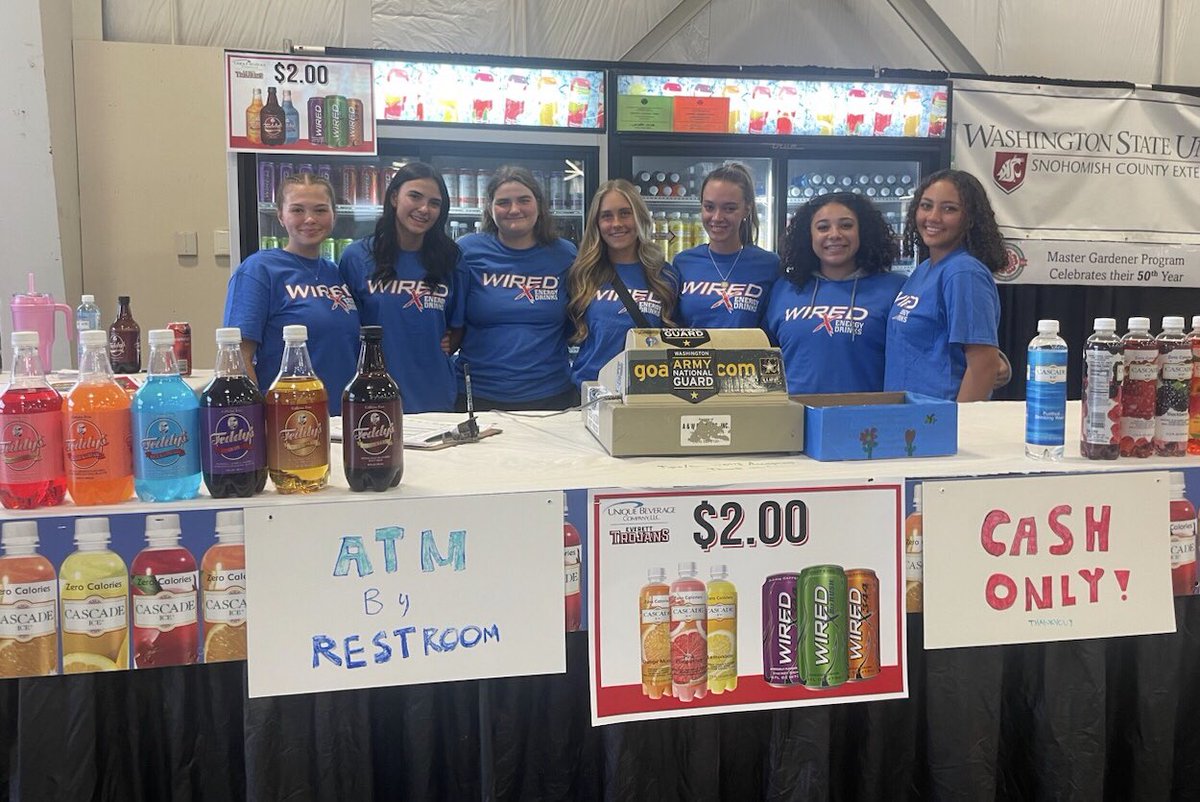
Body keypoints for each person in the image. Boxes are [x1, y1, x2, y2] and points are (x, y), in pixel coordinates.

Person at [223, 172, 359, 414]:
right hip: (289, 420)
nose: (309, 219)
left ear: (334, 216)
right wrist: (257, 418)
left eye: (320, 210)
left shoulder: (336, 272)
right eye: (297, 210)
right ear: (281, 216)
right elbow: (238, 357)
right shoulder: (259, 270)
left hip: (341, 416)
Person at [338, 162, 460, 413]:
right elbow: (345, 329)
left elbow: (458, 326)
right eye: (414, 196)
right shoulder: (357, 257)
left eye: (434, 203)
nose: (424, 209)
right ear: (394, 197)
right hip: (374, 395)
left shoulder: (452, 259)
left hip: (436, 394)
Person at [453, 165, 578, 411]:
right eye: (503, 202)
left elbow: (576, 322)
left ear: (539, 205)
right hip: (478, 394)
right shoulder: (467, 251)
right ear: (490, 207)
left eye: (524, 200)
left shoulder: (565, 254)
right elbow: (449, 316)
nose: (514, 209)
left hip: (552, 395)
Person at [765, 193, 906, 395]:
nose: (834, 234)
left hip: (866, 420)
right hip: (794, 418)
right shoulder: (784, 289)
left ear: (863, 231)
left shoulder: (895, 289)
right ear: (809, 235)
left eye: (846, 225)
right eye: (823, 227)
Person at [884, 169, 1006, 402]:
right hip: (908, 418)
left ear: (970, 218)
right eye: (926, 206)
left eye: (949, 209)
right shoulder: (923, 271)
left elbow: (984, 366)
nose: (933, 217)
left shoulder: (964, 272)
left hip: (938, 422)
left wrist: (960, 430)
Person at [568, 179, 679, 388]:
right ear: (597, 224)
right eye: (607, 216)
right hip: (590, 389)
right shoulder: (583, 274)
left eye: (625, 213)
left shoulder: (664, 275)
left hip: (647, 392)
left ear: (639, 217)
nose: (616, 223)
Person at [673, 162, 778, 328]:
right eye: (709, 207)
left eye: (729, 209)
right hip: (693, 355)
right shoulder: (683, 263)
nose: (717, 217)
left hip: (748, 354)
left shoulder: (769, 265)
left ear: (746, 210)